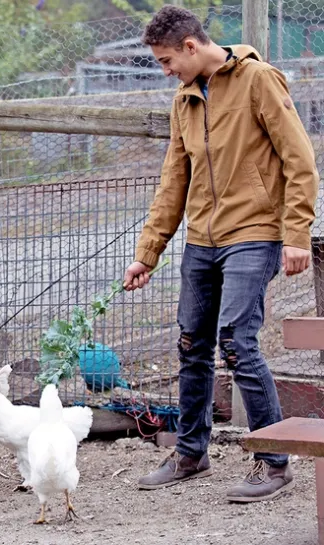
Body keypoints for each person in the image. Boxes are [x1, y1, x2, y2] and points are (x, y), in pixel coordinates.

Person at [123, 6, 318, 502]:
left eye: (168, 61)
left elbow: (300, 159)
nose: (166, 71)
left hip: (254, 232)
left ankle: (274, 462)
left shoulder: (258, 80)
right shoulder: (185, 100)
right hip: (202, 240)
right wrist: (149, 252)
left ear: (191, 46)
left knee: (236, 340)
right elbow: (174, 181)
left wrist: (296, 233)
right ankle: (191, 452)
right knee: (192, 343)